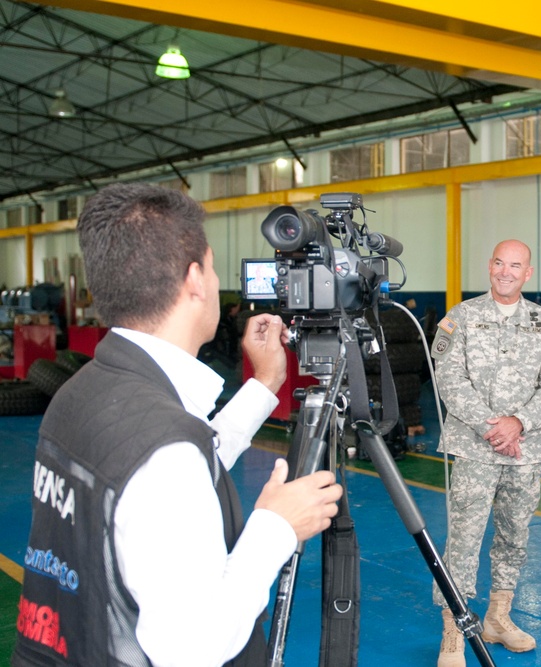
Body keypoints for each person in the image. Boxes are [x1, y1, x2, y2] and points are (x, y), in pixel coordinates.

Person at [13, 183, 343, 667]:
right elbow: (193, 648)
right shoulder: (165, 453)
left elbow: (185, 458)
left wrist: (266, 382)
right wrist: (276, 527)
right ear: (194, 279)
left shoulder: (85, 391)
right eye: (210, 268)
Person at [430, 239, 541, 667]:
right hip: (475, 448)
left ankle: (498, 617)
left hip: (525, 449)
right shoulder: (462, 318)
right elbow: (448, 378)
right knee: (464, 539)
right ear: (489, 266)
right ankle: (454, 631)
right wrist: (493, 428)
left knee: (514, 537)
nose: (506, 272)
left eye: (516, 265)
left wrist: (519, 423)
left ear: (528, 273)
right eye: (499, 263)